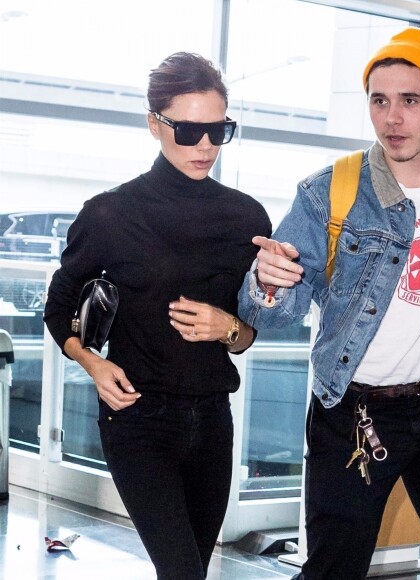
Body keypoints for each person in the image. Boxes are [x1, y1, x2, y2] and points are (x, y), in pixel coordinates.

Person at [238, 27, 420, 580]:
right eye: (380, 100)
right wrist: (269, 281)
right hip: (354, 409)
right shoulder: (329, 191)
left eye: (410, 101)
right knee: (333, 567)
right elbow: (272, 310)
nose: (392, 118)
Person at [44, 52, 271, 579]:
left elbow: (248, 332)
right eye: (190, 130)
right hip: (137, 419)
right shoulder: (110, 214)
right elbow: (58, 309)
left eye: (218, 130)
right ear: (155, 124)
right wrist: (93, 364)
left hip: (213, 419)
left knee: (191, 569)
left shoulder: (246, 216)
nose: (206, 146)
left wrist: (229, 327)